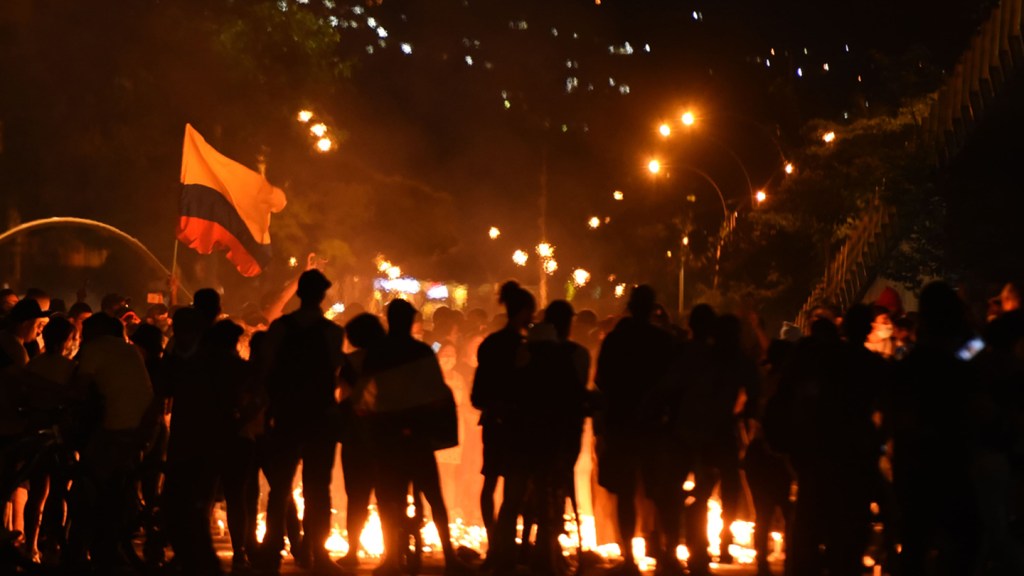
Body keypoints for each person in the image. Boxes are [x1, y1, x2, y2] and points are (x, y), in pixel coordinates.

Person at [362, 299, 466, 576]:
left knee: (388, 499)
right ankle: (449, 557)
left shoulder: (378, 353)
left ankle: (391, 559)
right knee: (434, 496)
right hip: (417, 436)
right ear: (409, 322)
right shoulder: (420, 352)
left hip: (388, 437)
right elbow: (437, 391)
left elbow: (366, 394)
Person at [255, 270, 346, 576]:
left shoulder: (281, 328)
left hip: (287, 415)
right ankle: (316, 553)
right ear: (322, 296)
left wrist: (267, 410)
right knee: (318, 488)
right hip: (319, 416)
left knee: (281, 487)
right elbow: (335, 369)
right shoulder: (332, 332)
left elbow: (264, 371)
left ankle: (272, 553)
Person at [594, 285, 674, 576]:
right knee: (661, 492)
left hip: (623, 424)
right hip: (654, 427)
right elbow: (674, 384)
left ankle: (629, 557)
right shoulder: (662, 341)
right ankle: (666, 554)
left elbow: (601, 381)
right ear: (653, 308)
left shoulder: (616, 340)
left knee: (626, 492)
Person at [471, 281, 535, 570]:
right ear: (523, 312)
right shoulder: (527, 347)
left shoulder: (491, 344)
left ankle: (496, 541)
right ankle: (505, 546)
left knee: (491, 481)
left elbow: (478, 393)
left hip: (495, 424)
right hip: (518, 426)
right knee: (514, 488)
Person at [335, 313, 386, 570]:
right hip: (386, 438)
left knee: (356, 497)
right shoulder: (391, 361)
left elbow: (342, 397)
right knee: (388, 497)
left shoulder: (350, 363)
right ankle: (392, 552)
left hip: (356, 437)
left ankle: (353, 550)